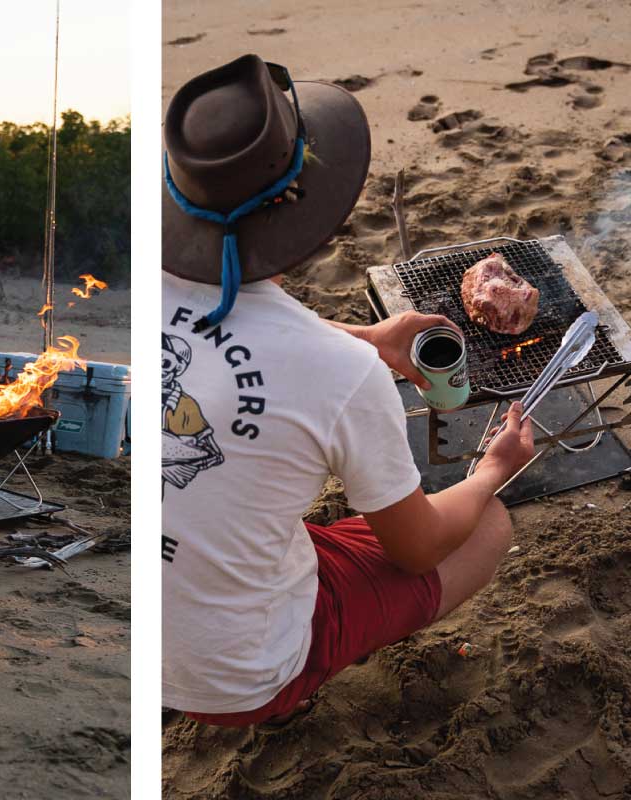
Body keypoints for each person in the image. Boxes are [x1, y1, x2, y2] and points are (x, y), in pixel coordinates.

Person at [161, 54, 534, 727]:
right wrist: (490, 472)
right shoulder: (339, 375)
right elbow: (416, 550)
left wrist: (369, 338)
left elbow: (234, 334)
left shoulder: (152, 288)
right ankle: (300, 672)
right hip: (241, 681)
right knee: (487, 526)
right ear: (303, 202)